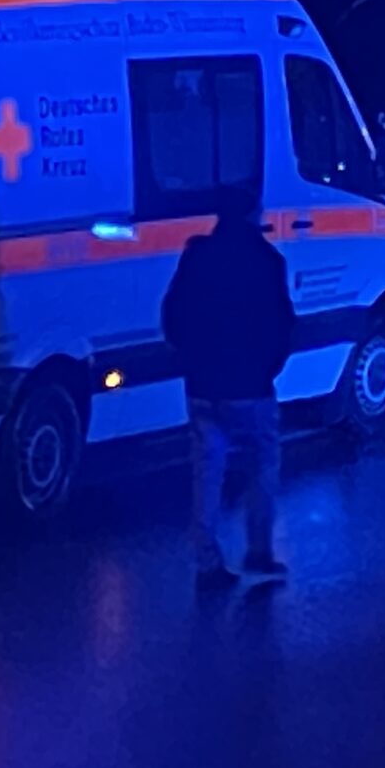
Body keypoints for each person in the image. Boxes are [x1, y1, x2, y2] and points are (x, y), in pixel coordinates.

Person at [161, 187, 297, 587]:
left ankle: (207, 561)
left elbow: (172, 313)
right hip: (251, 385)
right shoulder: (268, 261)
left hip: (203, 384)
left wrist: (187, 357)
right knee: (263, 462)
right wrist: (268, 369)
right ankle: (259, 550)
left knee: (207, 470)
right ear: (254, 213)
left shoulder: (196, 254)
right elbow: (282, 325)